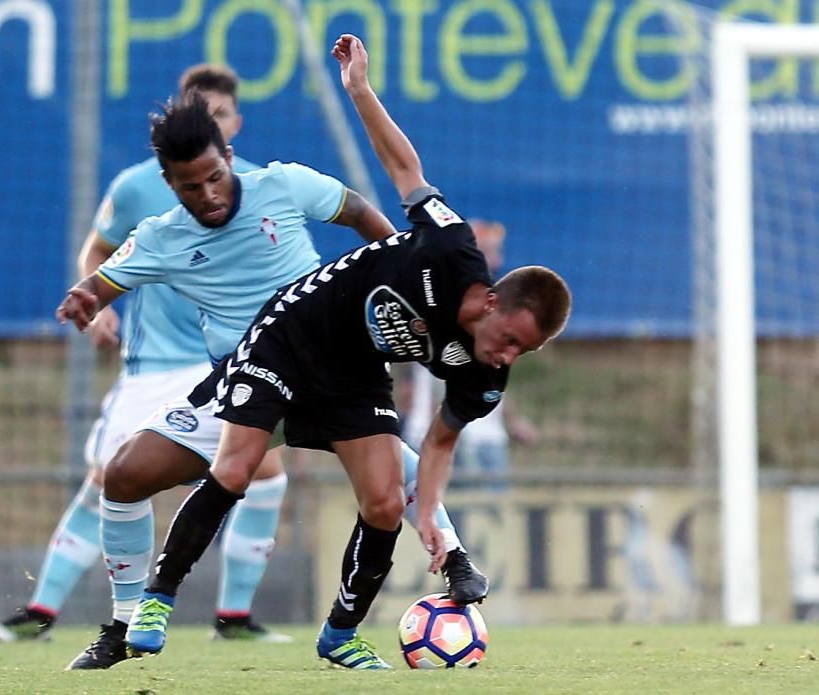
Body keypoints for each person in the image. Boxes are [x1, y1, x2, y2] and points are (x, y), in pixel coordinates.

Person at [106, 33, 571, 670]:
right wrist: (360, 90)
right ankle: (157, 597)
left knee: (384, 500)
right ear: (491, 302)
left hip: (352, 374)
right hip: (292, 332)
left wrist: (429, 516)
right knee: (236, 468)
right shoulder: (450, 249)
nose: (510, 356)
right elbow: (405, 169)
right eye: (513, 340)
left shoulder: (484, 375)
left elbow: (436, 444)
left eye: (528, 352)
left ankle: (340, 635)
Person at [55, 87, 492, 668]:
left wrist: (396, 274)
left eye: (215, 176)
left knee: (388, 487)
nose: (209, 194)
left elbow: (362, 214)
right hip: (248, 378)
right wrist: (88, 301)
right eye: (191, 186)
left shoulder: (281, 184)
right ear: (170, 183)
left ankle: (439, 571)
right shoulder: (161, 237)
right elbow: (103, 282)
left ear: (229, 157)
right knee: (126, 474)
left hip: (330, 361)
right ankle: (124, 624)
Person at [0, 65, 292, 661]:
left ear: (233, 128)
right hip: (152, 367)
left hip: (223, 369)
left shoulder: (260, 187)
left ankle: (234, 616)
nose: (207, 124)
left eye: (218, 115)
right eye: (196, 111)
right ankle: (41, 611)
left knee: (267, 478)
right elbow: (96, 251)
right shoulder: (141, 186)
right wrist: (98, 302)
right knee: (109, 481)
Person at [406, 220, 540, 489]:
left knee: (491, 522)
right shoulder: (439, 296)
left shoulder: (496, 306)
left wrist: (512, 420)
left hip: (485, 439)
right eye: (490, 251)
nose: (498, 259)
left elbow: (491, 377)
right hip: (440, 435)